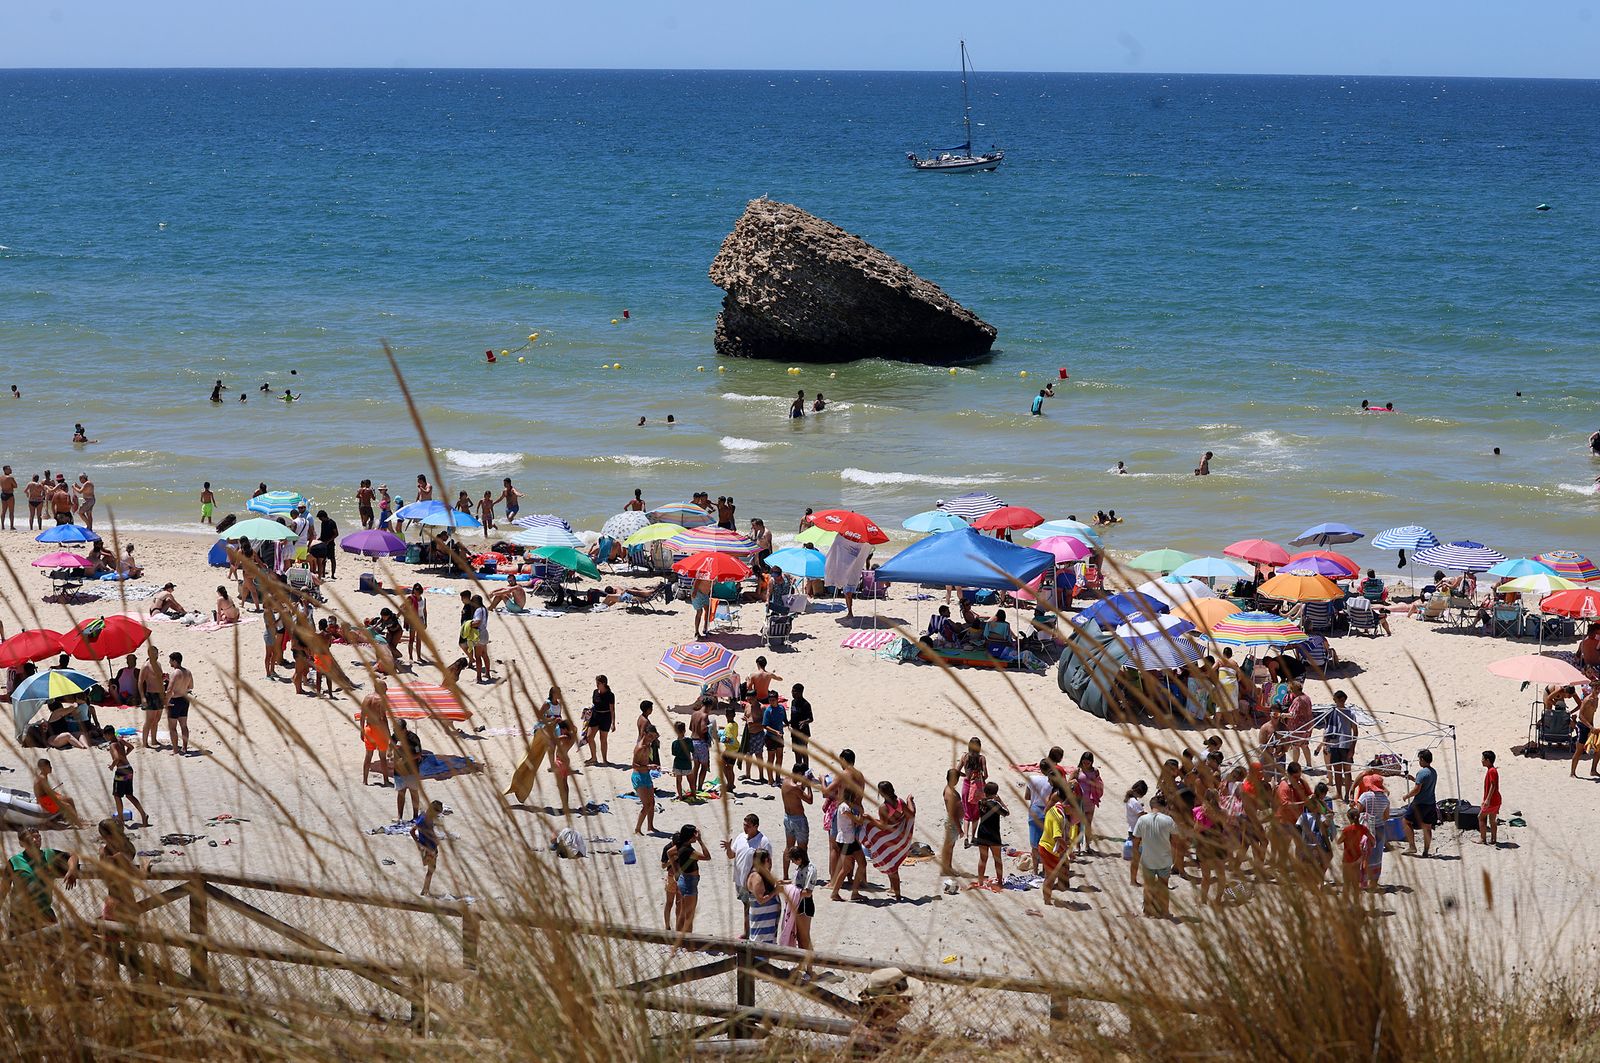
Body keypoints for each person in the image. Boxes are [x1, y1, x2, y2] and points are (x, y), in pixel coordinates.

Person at [2, 827, 79, 930]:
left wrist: (72, 869)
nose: (35, 840)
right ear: (21, 843)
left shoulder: (49, 854)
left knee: (53, 944)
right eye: (30, 838)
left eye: (38, 837)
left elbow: (72, 856)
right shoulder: (14, 862)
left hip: (45, 913)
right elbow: (3, 890)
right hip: (20, 917)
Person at [725, 814, 774, 935]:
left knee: (753, 908)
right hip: (740, 880)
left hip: (753, 883)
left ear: (756, 826)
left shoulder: (763, 841)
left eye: (748, 826)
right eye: (744, 825)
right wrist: (728, 848)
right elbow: (732, 855)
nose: (745, 828)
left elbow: (768, 864)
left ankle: (749, 933)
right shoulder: (741, 837)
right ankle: (747, 932)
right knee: (746, 907)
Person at [1131, 793, 1176, 919]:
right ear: (1163, 806)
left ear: (1151, 806)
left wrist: (1136, 854)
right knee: (1163, 886)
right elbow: (1175, 841)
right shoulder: (1168, 820)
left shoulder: (1142, 820)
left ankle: (1147, 911)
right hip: (1164, 859)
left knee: (1148, 886)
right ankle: (1165, 911)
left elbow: (1136, 840)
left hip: (1147, 859)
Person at [667, 824, 711, 935]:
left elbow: (669, 853)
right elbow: (707, 856)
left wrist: (675, 869)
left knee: (682, 913)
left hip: (682, 879)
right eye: (695, 834)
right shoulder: (689, 851)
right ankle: (689, 944)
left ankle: (678, 939)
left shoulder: (679, 845)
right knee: (689, 916)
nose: (696, 836)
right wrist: (700, 841)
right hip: (690, 883)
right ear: (690, 836)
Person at [1319, 690, 1360, 802]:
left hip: (1346, 745)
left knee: (1347, 771)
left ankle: (1347, 794)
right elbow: (1327, 729)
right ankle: (1339, 794)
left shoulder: (1350, 713)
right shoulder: (1332, 712)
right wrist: (1327, 744)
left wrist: (1352, 748)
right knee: (1337, 771)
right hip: (1335, 744)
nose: (1340, 702)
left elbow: (1355, 732)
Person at [1402, 749, 1439, 856]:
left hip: (1420, 803)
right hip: (1431, 803)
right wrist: (1414, 779)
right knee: (1427, 827)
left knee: (1406, 821)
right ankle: (1426, 850)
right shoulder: (1433, 772)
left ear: (1422, 759)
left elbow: (1417, 789)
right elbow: (1425, 784)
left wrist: (1407, 796)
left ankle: (1412, 846)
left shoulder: (1422, 772)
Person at [973, 781, 1008, 886]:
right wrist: (1000, 800)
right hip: (994, 834)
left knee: (983, 859)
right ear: (995, 793)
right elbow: (1006, 812)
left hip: (982, 832)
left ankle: (980, 881)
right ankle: (1000, 882)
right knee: (997, 859)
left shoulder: (981, 803)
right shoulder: (996, 804)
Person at [746, 850, 781, 943]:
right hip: (761, 922)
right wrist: (775, 892)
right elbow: (760, 900)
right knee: (760, 948)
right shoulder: (756, 877)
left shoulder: (762, 874)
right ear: (766, 860)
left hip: (768, 923)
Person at [410, 800, 443, 896]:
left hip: (431, 846)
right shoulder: (423, 819)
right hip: (427, 847)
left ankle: (425, 889)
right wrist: (419, 845)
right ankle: (425, 890)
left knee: (432, 869)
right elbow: (412, 831)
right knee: (431, 869)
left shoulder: (427, 817)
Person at [1338, 808, 1372, 898]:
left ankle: (1344, 906)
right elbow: (1372, 840)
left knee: (1346, 884)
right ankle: (1356, 906)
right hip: (1357, 859)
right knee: (1356, 884)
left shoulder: (1346, 830)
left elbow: (1339, 841)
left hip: (1347, 858)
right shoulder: (1364, 828)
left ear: (1349, 818)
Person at [959, 737, 987, 845]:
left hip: (966, 785)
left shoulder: (964, 757)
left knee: (967, 813)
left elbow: (957, 770)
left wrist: (965, 775)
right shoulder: (981, 758)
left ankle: (965, 836)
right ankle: (973, 837)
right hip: (977, 789)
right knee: (976, 814)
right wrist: (980, 778)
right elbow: (986, 775)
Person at [584, 675, 617, 765]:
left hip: (606, 717)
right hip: (595, 716)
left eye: (598, 683)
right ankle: (594, 758)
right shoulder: (595, 692)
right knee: (589, 737)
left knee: (603, 739)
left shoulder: (610, 695)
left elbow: (612, 710)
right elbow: (594, 704)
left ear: (604, 683)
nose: (597, 685)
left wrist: (613, 723)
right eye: (596, 683)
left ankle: (605, 760)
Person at [165, 652, 193, 756]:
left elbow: (169, 690)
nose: (169, 662)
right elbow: (191, 686)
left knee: (172, 727)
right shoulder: (188, 672)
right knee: (184, 725)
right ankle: (184, 748)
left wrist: (166, 702)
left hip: (175, 700)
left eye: (170, 660)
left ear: (175, 661)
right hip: (184, 700)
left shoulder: (175, 673)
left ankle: (175, 749)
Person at [633, 727, 659, 836]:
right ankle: (637, 829)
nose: (651, 738)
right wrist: (649, 766)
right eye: (650, 736)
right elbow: (634, 765)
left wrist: (652, 767)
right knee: (646, 805)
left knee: (652, 803)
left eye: (653, 737)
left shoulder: (648, 745)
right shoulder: (640, 747)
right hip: (638, 776)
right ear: (644, 733)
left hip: (646, 775)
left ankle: (650, 826)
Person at [139, 652, 167, 750]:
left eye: (157, 654)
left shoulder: (158, 664)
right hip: (150, 694)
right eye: (155, 654)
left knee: (157, 719)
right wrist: (142, 697)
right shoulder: (146, 666)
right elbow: (140, 682)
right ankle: (145, 742)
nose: (157, 655)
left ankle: (154, 739)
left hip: (160, 694)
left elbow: (159, 678)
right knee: (149, 720)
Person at [788, 683, 813, 775]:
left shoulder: (806, 704)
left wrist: (804, 722)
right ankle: (798, 771)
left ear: (800, 692)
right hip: (794, 732)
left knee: (804, 753)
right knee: (796, 752)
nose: (792, 693)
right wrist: (788, 722)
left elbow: (811, 718)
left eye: (794, 691)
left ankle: (807, 771)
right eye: (792, 691)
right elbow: (793, 716)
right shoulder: (793, 702)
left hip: (803, 733)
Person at [1479, 749, 1501, 846]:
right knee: (1492, 820)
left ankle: (1482, 839)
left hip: (1492, 800)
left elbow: (1493, 785)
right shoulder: (1493, 770)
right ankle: (1493, 839)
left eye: (1483, 759)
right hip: (1496, 800)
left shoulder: (1492, 771)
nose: (1482, 760)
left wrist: (1487, 799)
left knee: (1480, 817)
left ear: (1488, 760)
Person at [0, 465, 15, 530]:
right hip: (9, 495)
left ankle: (2, 526)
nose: (11, 470)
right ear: (5, 470)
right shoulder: (10, 478)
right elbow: (15, 485)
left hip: (3, 494)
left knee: (3, 511)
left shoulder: (1, 477)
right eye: (9, 469)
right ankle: (11, 526)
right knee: (11, 511)